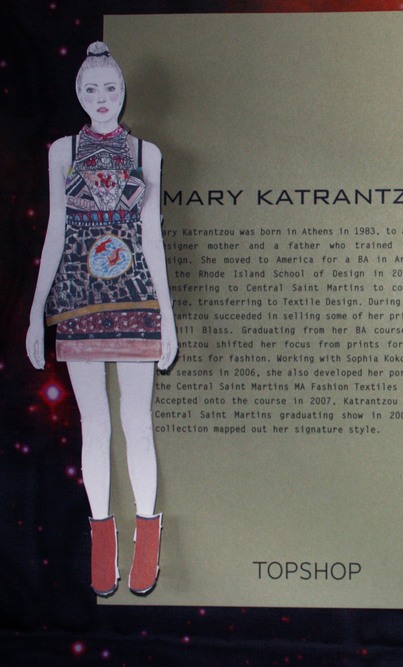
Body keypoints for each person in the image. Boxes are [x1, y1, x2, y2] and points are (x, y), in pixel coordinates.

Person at [26, 41, 177, 596]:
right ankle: (102, 546)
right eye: (91, 89)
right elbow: (56, 230)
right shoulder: (63, 151)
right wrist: (37, 312)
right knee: (95, 426)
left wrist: (168, 318)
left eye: (110, 88)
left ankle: (147, 541)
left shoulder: (145, 153)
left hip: (137, 300)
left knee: (138, 423)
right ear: (78, 94)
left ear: (123, 90)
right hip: (78, 300)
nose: (102, 98)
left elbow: (152, 237)